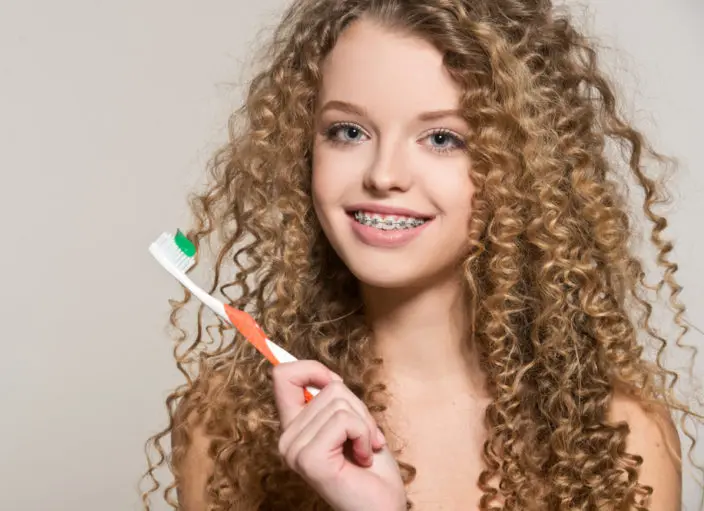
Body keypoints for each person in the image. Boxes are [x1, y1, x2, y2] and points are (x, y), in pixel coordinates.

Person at [142, 0, 702, 509]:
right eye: (348, 131)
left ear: (525, 166)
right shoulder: (231, 424)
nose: (384, 175)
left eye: (442, 139)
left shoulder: (620, 434)